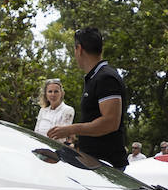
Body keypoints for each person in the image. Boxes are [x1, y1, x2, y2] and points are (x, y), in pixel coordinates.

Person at [48, 27, 127, 167]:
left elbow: (110, 122)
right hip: (92, 161)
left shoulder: (106, 78)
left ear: (79, 49)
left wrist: (70, 129)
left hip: (107, 166)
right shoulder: (94, 77)